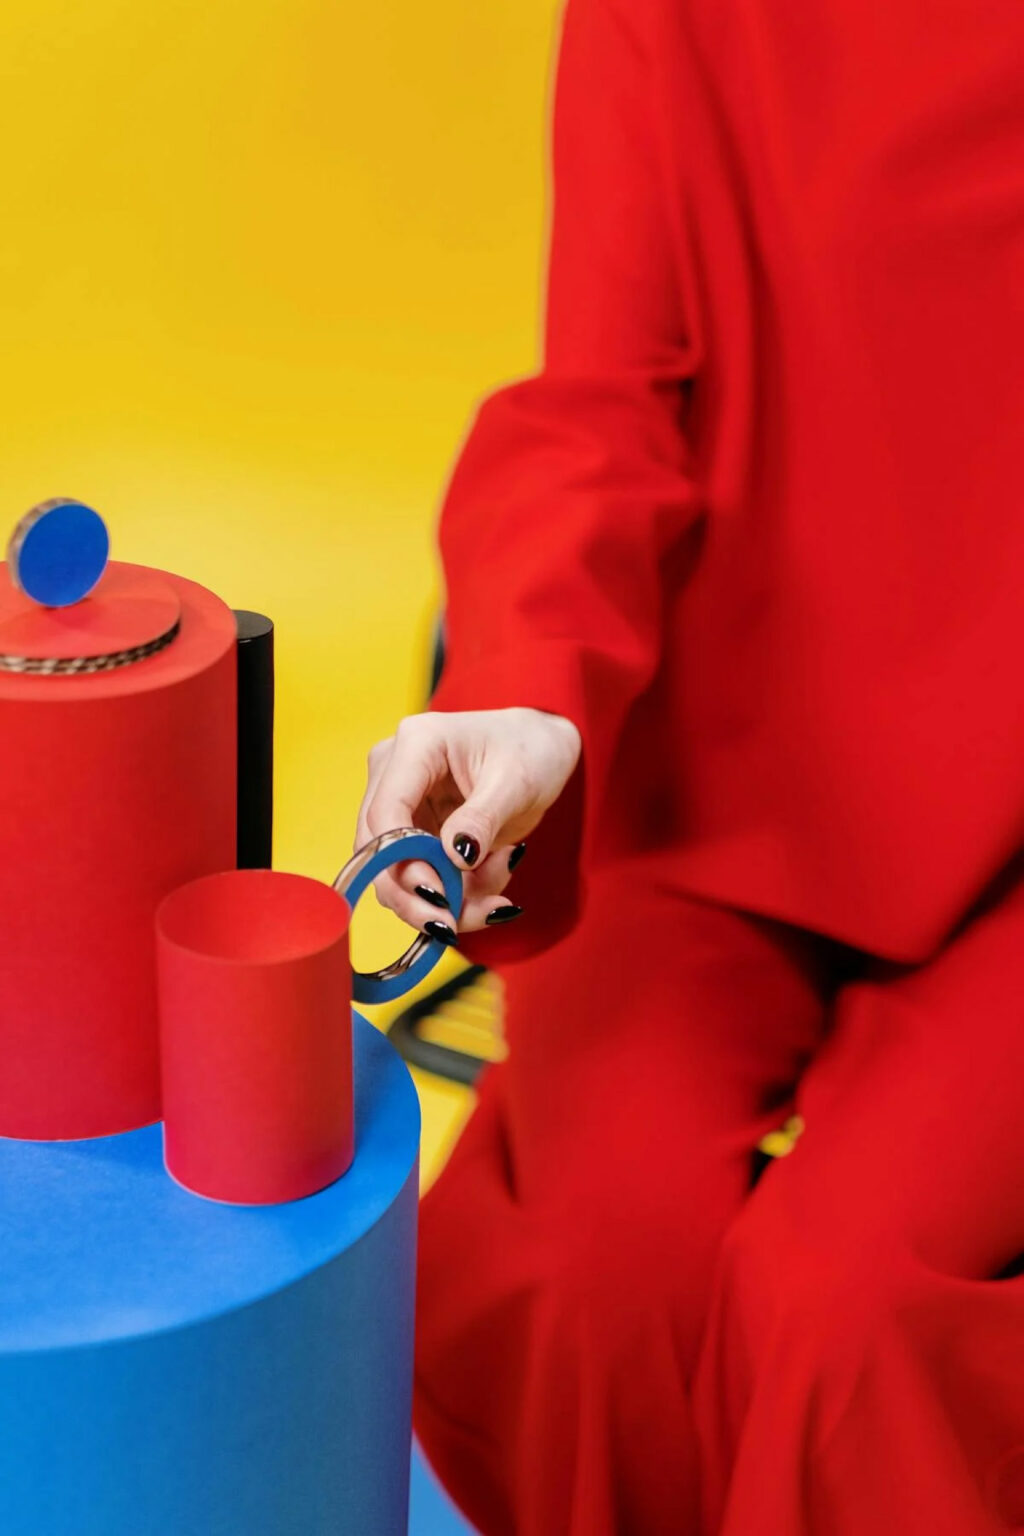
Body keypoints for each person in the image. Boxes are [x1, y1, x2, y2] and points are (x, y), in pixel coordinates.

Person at [354, 0, 1024, 1529]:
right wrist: (529, 686)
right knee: (597, 1278)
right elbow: (601, 401)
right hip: (714, 780)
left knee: (849, 1316)